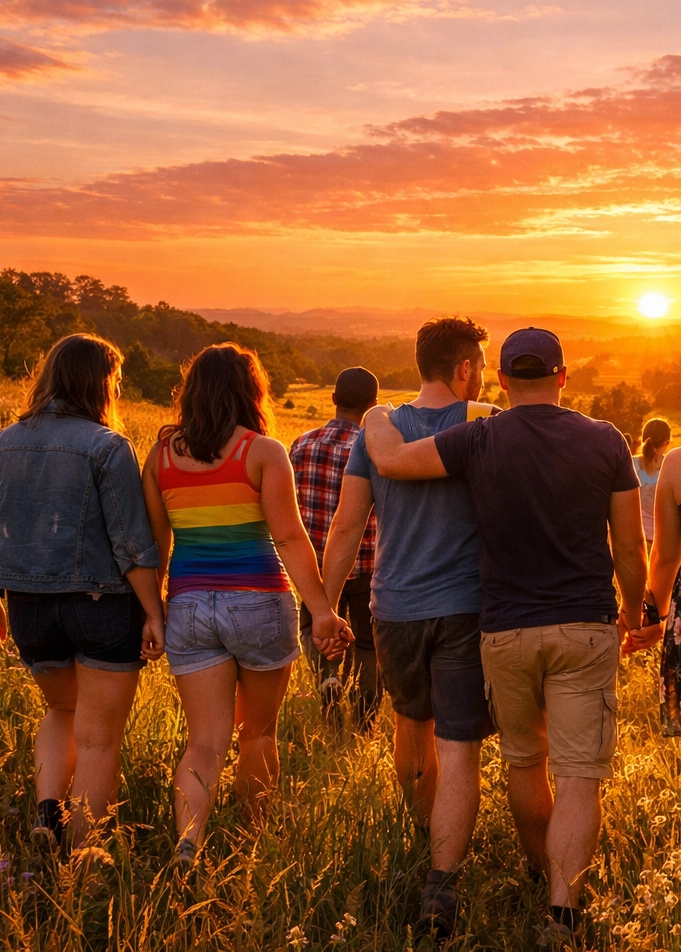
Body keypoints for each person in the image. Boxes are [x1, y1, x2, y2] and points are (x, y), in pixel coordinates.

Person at [360, 327, 656, 947]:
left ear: (499, 380)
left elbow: (390, 462)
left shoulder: (478, 438)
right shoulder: (605, 440)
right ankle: (562, 913)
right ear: (563, 377)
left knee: (526, 761)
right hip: (585, 625)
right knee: (579, 775)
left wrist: (376, 415)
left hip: (502, 630)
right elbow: (628, 544)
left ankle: (535, 872)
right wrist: (637, 611)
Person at [141, 342, 353, 867]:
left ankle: (189, 842)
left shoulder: (162, 455)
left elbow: (154, 549)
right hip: (259, 602)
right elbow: (290, 537)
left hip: (188, 607)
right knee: (257, 733)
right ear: (250, 390)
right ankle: (255, 843)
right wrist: (322, 610)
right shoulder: (261, 452)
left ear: (190, 394)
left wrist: (151, 613)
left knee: (204, 744)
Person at [322, 317, 500, 938]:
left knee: (410, 727)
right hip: (463, 607)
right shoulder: (481, 424)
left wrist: (322, 607)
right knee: (459, 750)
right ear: (464, 368)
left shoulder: (381, 429)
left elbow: (346, 527)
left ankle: (424, 838)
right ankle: (442, 881)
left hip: (392, 605)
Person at [0, 334, 167, 850]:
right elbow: (131, 543)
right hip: (100, 607)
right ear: (99, 383)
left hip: (27, 609)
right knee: (100, 739)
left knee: (61, 711)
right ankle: (84, 857)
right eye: (115, 381)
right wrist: (154, 612)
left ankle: (48, 815)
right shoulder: (107, 446)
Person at [289, 366, 380, 729]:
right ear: (373, 405)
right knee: (368, 648)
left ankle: (328, 685)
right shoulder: (374, 449)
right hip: (365, 565)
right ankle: (365, 721)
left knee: (315, 632)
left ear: (333, 400)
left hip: (312, 568)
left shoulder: (301, 444)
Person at [635, 417, 672, 545]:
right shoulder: (672, 466)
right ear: (666, 442)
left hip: (635, 536)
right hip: (663, 538)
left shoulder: (630, 464)